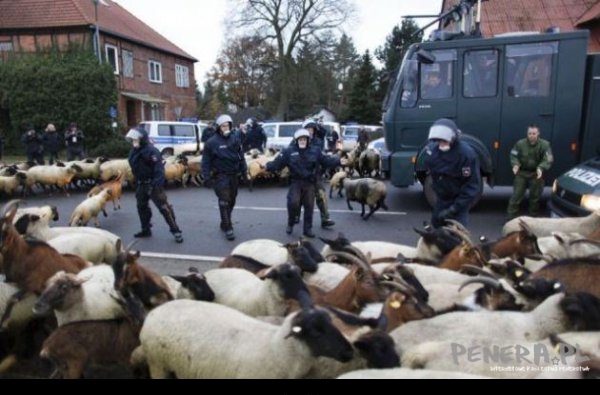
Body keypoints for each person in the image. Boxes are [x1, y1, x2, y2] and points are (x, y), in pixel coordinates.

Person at [266, 129, 344, 238]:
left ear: (308, 140)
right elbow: (277, 163)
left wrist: (339, 160)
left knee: (309, 206)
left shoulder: (315, 151)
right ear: (296, 140)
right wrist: (266, 166)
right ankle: (291, 223)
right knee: (293, 203)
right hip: (296, 182)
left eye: (304, 139)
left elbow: (326, 160)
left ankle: (307, 230)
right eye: (300, 139)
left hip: (309, 183)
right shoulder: (289, 151)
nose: (302, 141)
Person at [126, 127, 183, 243]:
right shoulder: (133, 152)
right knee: (142, 207)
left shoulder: (152, 151)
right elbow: (133, 166)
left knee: (164, 208)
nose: (133, 142)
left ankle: (176, 230)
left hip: (153, 184)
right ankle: (146, 229)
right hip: (141, 184)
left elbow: (159, 169)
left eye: (135, 140)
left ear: (142, 139)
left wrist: (157, 184)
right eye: (132, 140)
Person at [424, 118, 481, 228]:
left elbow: (471, 186)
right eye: (439, 141)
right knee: (434, 234)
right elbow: (433, 173)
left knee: (458, 237)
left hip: (458, 204)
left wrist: (454, 209)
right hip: (441, 201)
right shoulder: (434, 152)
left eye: (444, 141)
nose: (441, 143)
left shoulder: (466, 155)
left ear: (453, 139)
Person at [202, 114, 247, 241]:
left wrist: (244, 172)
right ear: (218, 127)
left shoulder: (235, 139)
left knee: (232, 200)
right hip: (220, 176)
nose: (225, 128)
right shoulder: (212, 142)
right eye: (223, 126)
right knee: (224, 201)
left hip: (233, 175)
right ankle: (228, 227)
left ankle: (224, 221)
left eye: (227, 125)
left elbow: (241, 156)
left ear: (230, 126)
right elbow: (205, 161)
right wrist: (206, 177)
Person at [506, 125, 554, 219]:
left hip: (536, 174)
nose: (531, 135)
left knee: (535, 198)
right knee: (516, 197)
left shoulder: (545, 145)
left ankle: (533, 219)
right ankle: (510, 219)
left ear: (538, 133)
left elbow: (548, 159)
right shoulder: (520, 144)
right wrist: (515, 164)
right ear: (527, 134)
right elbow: (513, 155)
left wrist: (541, 168)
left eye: (534, 133)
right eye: (529, 133)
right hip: (522, 173)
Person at [301, 119, 335, 228]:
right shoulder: (297, 140)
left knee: (321, 195)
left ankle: (325, 219)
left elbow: (322, 158)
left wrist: (324, 169)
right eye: (308, 129)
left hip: (315, 174)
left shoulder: (318, 142)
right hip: (301, 175)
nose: (310, 131)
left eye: (312, 129)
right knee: (299, 198)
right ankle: (295, 216)